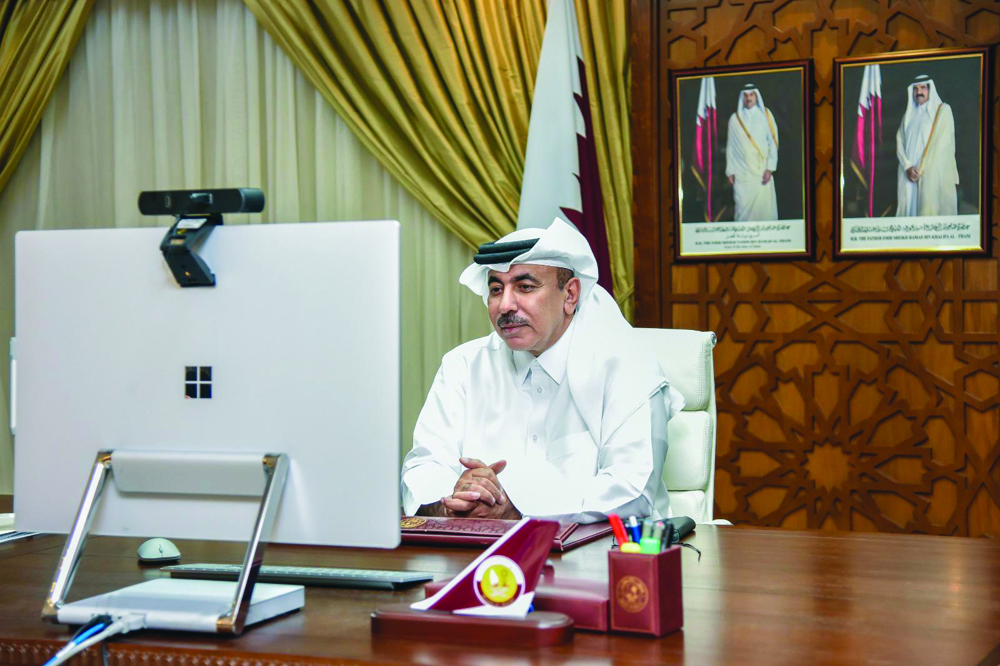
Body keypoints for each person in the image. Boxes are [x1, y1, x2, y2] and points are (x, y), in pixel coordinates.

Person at [400, 219, 685, 524]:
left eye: (524, 287)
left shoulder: (626, 364)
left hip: (604, 560)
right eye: (496, 289)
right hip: (480, 556)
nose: (505, 305)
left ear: (570, 295)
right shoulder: (464, 365)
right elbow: (423, 466)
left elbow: (632, 489)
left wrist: (517, 508)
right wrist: (453, 502)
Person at [895, 74, 958, 217]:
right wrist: (907, 167)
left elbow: (943, 147)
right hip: (909, 176)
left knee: (929, 215)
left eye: (923, 87)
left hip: (931, 177)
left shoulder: (942, 112)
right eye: (916, 88)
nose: (919, 92)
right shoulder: (908, 116)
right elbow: (899, 141)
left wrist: (921, 170)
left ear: (930, 90)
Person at [725, 84, 779, 222]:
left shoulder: (766, 115)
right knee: (742, 213)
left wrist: (770, 168)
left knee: (764, 210)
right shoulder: (734, 119)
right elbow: (730, 147)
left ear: (756, 96)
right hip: (742, 174)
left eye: (751, 95)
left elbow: (773, 143)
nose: (748, 98)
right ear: (742, 97)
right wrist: (730, 171)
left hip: (761, 171)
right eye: (745, 95)